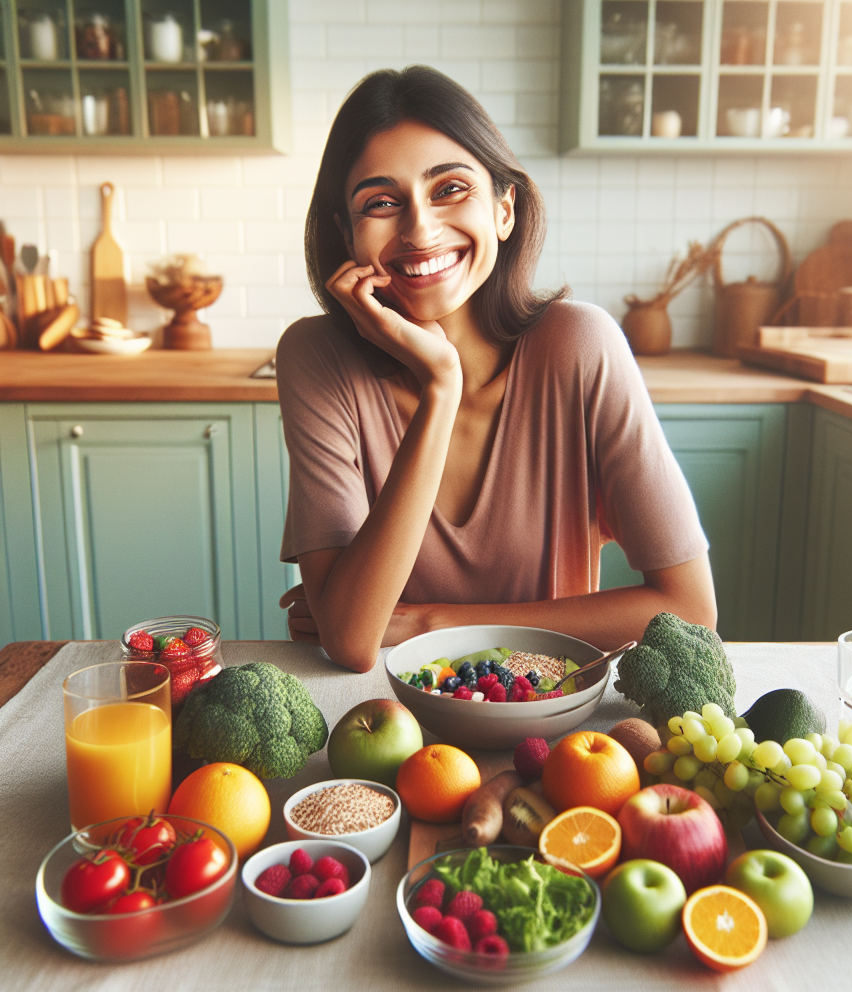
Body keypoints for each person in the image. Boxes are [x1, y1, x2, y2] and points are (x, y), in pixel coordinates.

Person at [276, 65, 715, 673]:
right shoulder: (315, 357)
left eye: (450, 188)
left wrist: (433, 622)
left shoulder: (581, 347)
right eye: (380, 202)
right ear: (347, 233)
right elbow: (353, 642)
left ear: (504, 210)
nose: (420, 230)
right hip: (386, 713)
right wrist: (440, 385)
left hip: (553, 717)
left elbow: (689, 609)